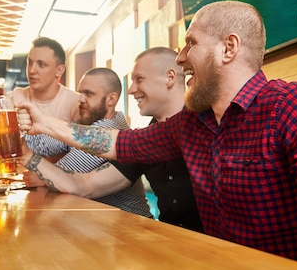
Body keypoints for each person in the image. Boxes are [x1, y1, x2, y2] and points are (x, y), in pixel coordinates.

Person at [17, 0, 297, 270]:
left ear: (228, 48)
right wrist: (46, 123)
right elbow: (121, 145)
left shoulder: (296, 106)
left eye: (190, 44)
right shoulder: (192, 123)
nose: (180, 59)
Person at [22, 48, 202, 231]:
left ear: (170, 77)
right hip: (170, 241)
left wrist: (43, 124)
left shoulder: (202, 122)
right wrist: (24, 152)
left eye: (139, 79)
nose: (131, 90)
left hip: (211, 249)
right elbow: (84, 185)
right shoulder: (148, 136)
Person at [24, 68, 151, 217]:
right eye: (80, 93)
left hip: (132, 229)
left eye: (89, 94)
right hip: (103, 226)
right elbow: (41, 145)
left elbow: (56, 180)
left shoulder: (109, 128)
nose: (81, 99)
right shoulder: (91, 124)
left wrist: (41, 172)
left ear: (111, 99)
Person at [12, 36, 80, 158]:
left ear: (59, 70)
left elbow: (78, 156)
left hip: (57, 175)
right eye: (30, 63)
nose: (32, 70)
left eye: (41, 65)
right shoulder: (17, 97)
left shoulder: (75, 103)